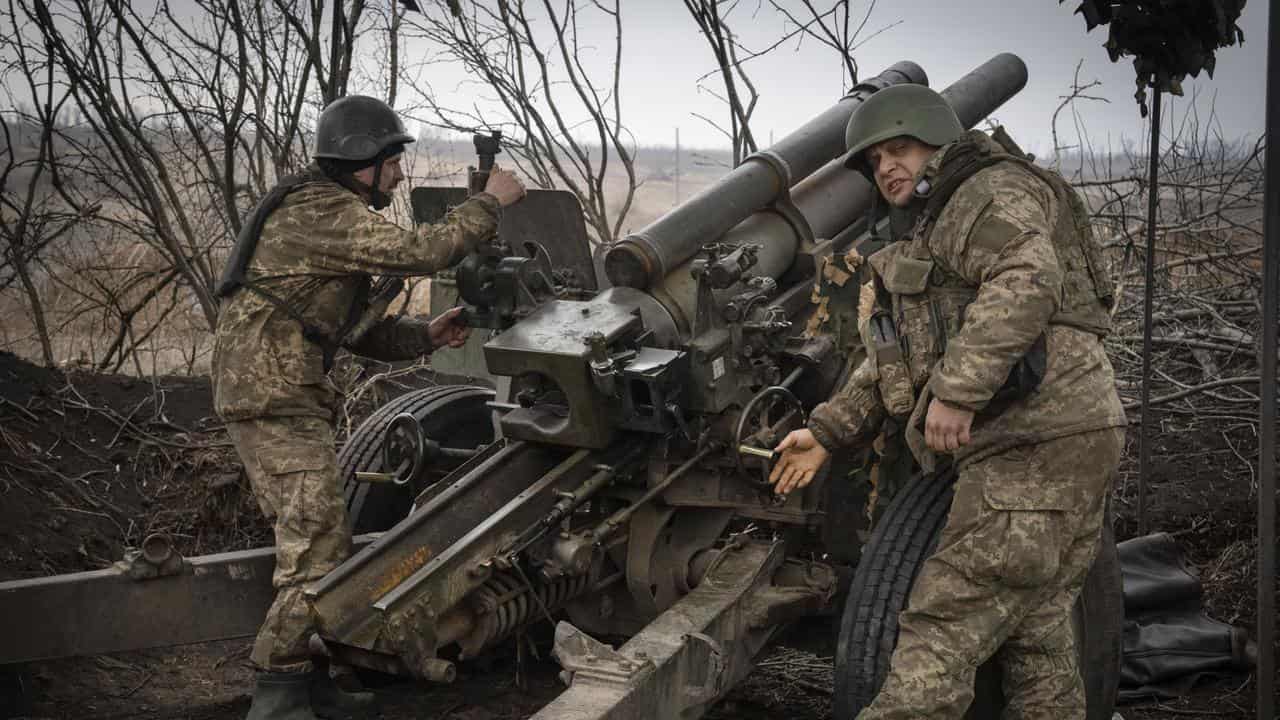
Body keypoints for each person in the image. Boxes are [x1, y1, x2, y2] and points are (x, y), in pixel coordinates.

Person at [769, 83, 1126, 718]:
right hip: (1060, 436)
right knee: (1037, 637)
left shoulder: (985, 191)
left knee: (941, 632)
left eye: (900, 149)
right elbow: (893, 364)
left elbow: (1028, 276)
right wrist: (825, 434)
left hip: (1034, 441)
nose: (887, 169)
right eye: (876, 163)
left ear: (939, 143)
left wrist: (958, 394)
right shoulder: (922, 241)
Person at [211, 94, 526, 720]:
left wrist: (425, 336)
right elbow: (424, 252)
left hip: (283, 391)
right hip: (272, 395)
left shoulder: (326, 213)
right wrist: (491, 199)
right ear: (363, 160)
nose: (400, 174)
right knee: (319, 547)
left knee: (319, 541)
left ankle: (310, 684)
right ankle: (277, 696)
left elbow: (349, 332)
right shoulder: (321, 209)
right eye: (392, 162)